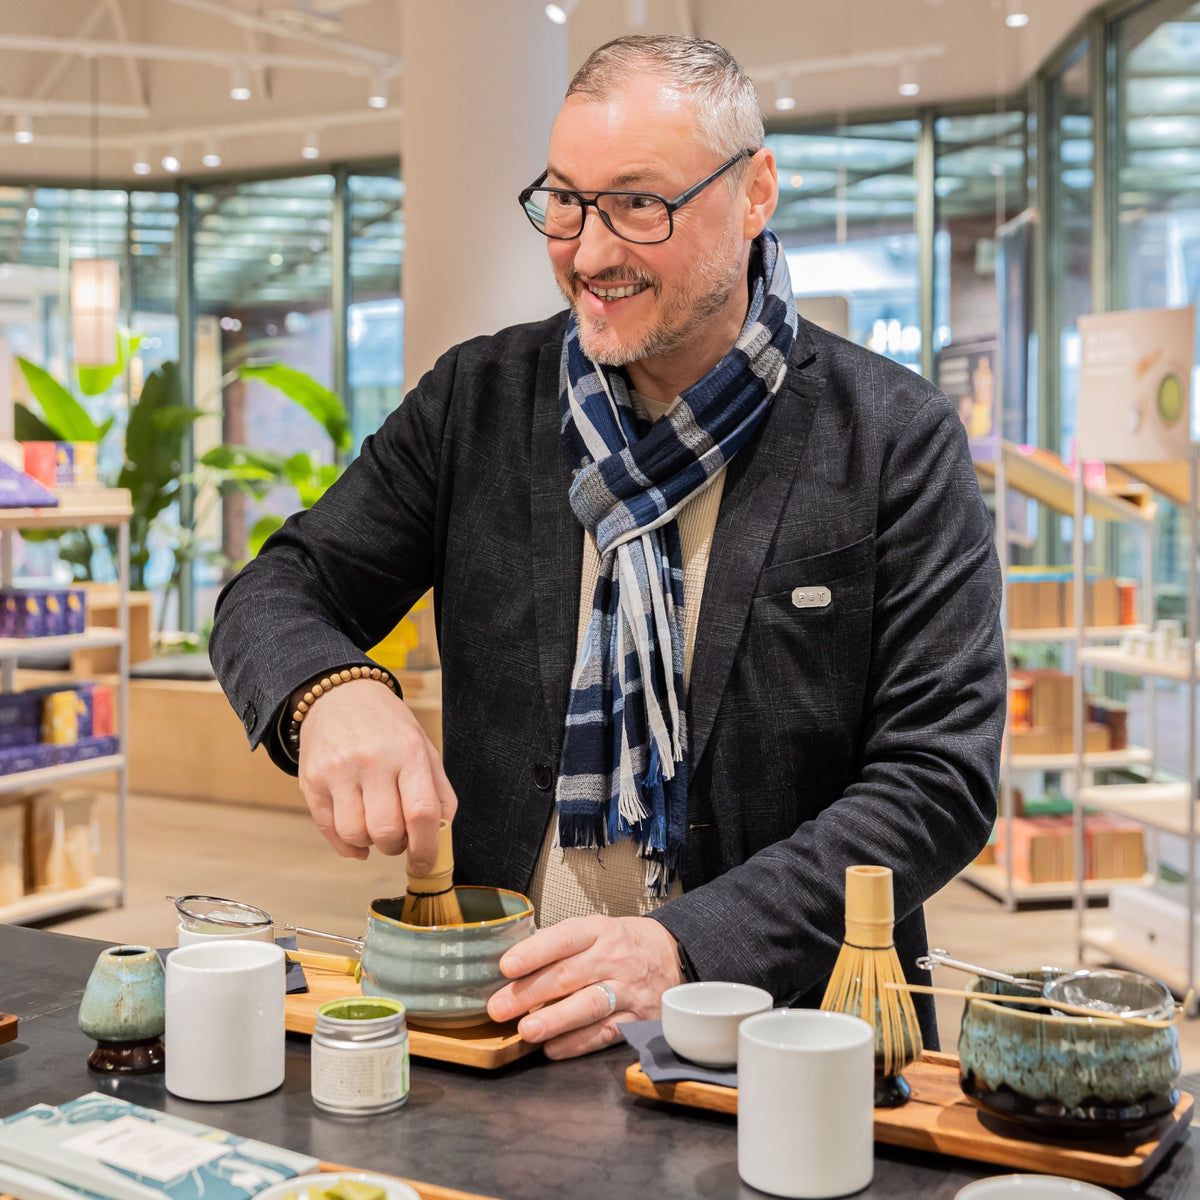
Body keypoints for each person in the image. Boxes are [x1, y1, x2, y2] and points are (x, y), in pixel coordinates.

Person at [210, 34, 1005, 1062]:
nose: (588, 253)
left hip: (795, 1050)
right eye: (567, 202)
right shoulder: (478, 404)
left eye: (641, 204)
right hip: (512, 1038)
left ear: (755, 191)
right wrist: (327, 688)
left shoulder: (892, 437)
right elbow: (277, 588)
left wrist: (688, 948)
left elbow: (937, 780)